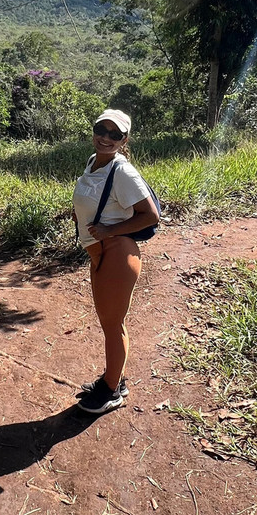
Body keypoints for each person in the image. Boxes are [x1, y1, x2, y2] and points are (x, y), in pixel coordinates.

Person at [71, 108, 160, 414]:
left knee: (112, 324)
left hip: (118, 252)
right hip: (99, 251)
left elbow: (150, 215)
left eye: (115, 134)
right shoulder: (94, 162)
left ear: (124, 140)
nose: (106, 138)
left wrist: (109, 230)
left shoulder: (122, 172)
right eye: (101, 130)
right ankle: (114, 379)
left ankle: (111, 391)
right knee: (108, 321)